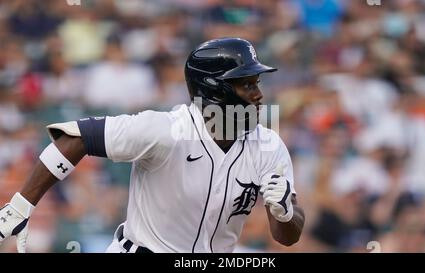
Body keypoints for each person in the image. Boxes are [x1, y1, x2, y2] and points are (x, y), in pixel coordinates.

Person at [0, 38, 305, 253]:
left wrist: (284, 212)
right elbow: (77, 137)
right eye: (247, 84)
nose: (258, 95)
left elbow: (288, 238)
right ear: (216, 90)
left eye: (257, 84)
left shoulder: (268, 145)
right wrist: (21, 205)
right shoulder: (164, 130)